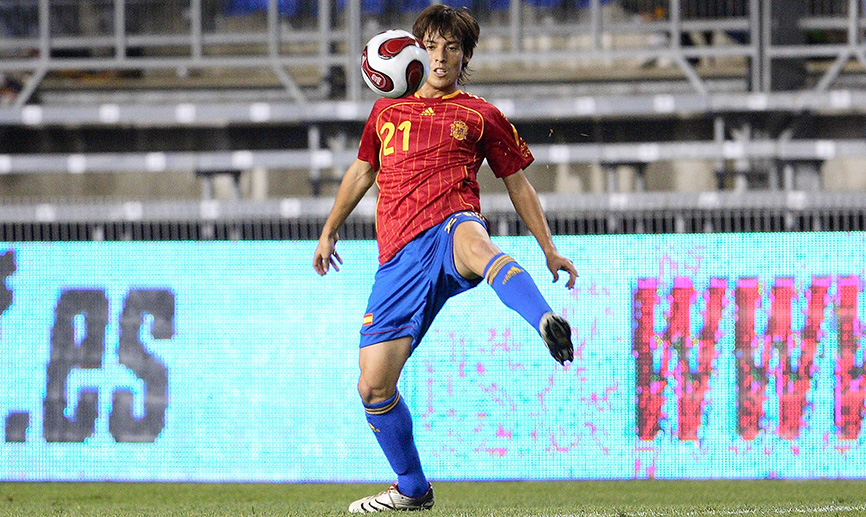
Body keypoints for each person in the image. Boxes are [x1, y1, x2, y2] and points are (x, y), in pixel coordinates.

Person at [312, 4, 577, 513]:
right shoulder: (385, 113)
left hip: (453, 224)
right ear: (415, 51)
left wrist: (549, 248)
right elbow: (362, 172)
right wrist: (329, 231)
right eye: (431, 45)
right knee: (373, 386)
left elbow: (516, 183)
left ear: (465, 56)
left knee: (477, 243)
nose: (440, 56)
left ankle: (543, 317)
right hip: (398, 257)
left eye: (451, 47)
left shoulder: (480, 115)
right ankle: (412, 489)